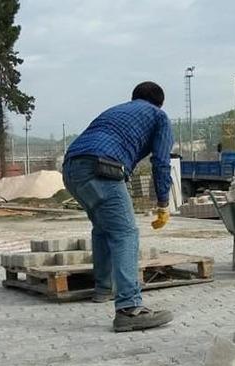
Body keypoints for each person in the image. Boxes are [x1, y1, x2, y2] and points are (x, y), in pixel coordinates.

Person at [62, 81, 174, 333]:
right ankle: (129, 308)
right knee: (125, 234)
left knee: (103, 229)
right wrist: (163, 203)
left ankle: (104, 289)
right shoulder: (159, 116)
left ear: (133, 98)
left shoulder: (117, 111)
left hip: (71, 168)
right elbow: (162, 162)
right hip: (102, 168)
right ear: (160, 102)